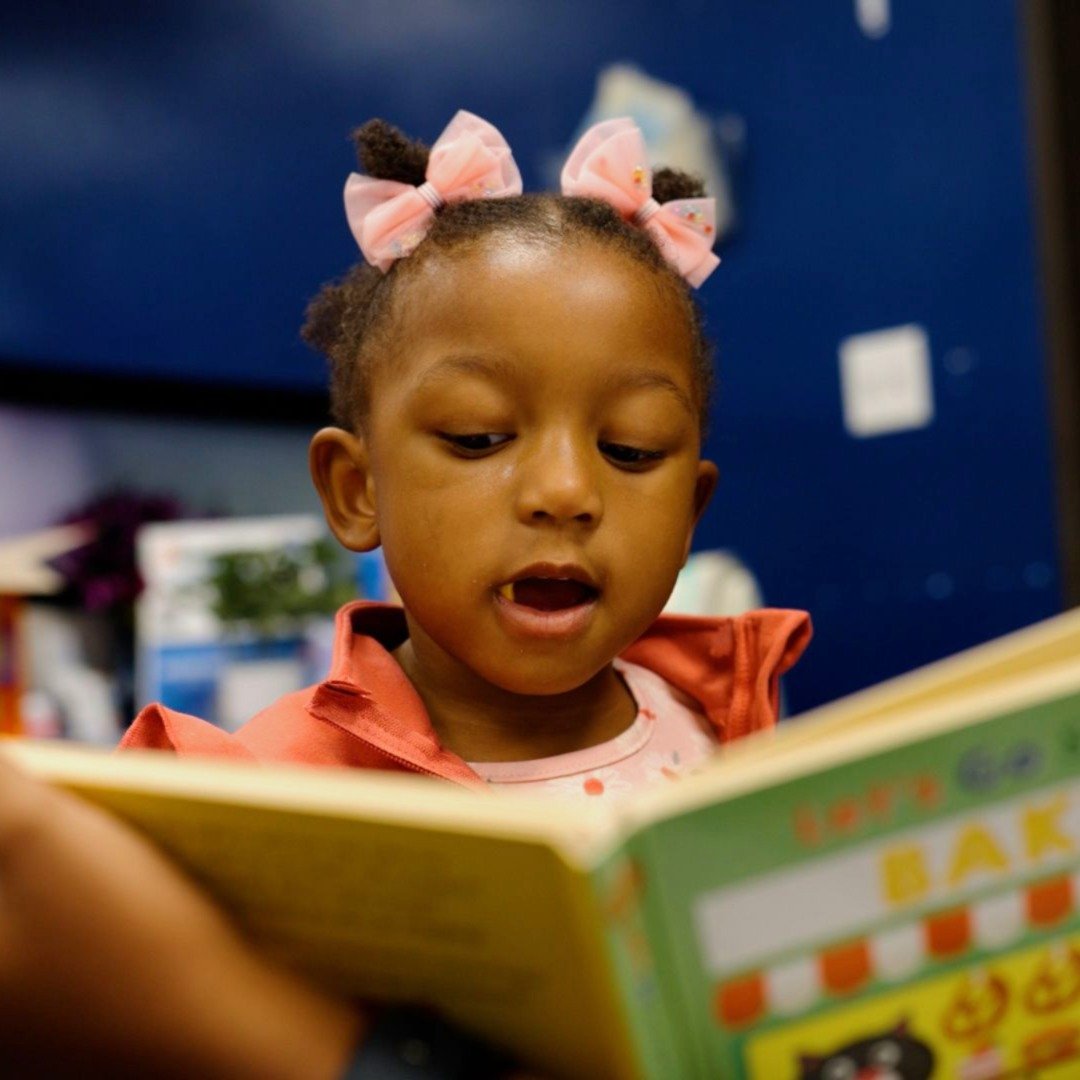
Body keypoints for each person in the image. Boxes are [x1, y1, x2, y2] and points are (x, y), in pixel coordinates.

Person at [0, 111, 811, 1075]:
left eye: (630, 449)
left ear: (691, 511)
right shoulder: (257, 795)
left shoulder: (725, 719)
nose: (564, 493)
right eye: (477, 437)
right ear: (358, 489)